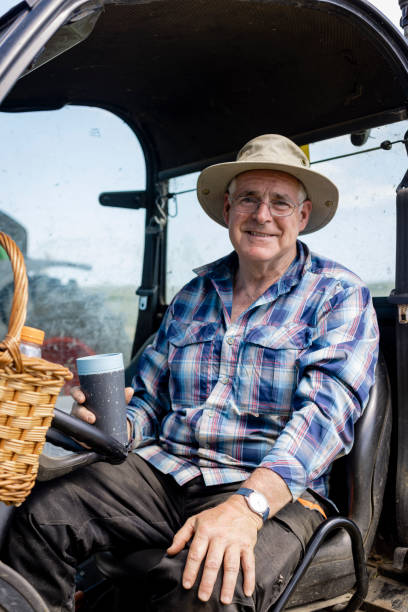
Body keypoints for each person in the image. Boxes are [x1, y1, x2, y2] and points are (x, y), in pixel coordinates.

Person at [3, 134, 379, 611]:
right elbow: (148, 400)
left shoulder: (338, 295)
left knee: (208, 588)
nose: (262, 215)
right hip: (166, 471)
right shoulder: (195, 294)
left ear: (303, 217)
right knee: (41, 517)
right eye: (249, 199)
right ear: (228, 209)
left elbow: (324, 417)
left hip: (270, 488)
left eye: (280, 202)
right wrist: (109, 425)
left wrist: (247, 506)